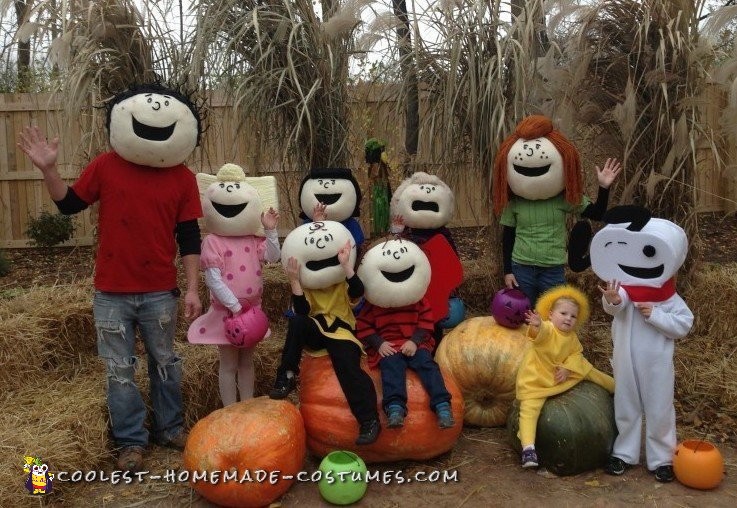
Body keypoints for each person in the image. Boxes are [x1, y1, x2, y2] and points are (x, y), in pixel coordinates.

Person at [17, 82, 205, 473]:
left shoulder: (183, 179)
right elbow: (69, 205)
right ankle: (131, 443)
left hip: (160, 293)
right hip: (111, 293)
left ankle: (169, 430)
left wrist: (192, 289)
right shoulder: (105, 165)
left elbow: (189, 237)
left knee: (166, 362)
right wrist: (49, 170)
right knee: (119, 371)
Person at [591, 205, 694, 483]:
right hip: (624, 358)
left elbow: (684, 324)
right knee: (626, 404)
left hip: (657, 362)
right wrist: (612, 299)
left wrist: (657, 315)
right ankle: (624, 453)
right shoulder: (624, 290)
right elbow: (616, 305)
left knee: (659, 408)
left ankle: (662, 458)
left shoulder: (667, 296)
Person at [269, 220, 381, 445]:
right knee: (298, 322)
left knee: (348, 368)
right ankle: (287, 375)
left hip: (341, 332)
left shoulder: (342, 283)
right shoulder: (307, 286)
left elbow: (359, 291)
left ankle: (369, 420)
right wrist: (294, 280)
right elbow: (301, 311)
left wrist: (346, 265)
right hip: (317, 331)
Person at [492, 115, 621, 305]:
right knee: (525, 315)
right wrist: (508, 271)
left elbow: (598, 214)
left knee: (554, 315)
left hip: (552, 269)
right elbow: (508, 237)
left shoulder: (563, 199)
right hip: (522, 267)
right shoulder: (515, 203)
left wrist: (604, 187)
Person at [187, 164, 280, 406]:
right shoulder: (213, 242)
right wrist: (235, 307)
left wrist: (270, 231)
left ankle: (246, 406)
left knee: (247, 362)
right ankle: (230, 411)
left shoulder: (253, 238)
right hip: (226, 314)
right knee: (228, 364)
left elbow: (272, 257)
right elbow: (213, 279)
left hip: (252, 313)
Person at [356, 238, 455, 429]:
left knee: (428, 365)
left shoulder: (418, 300)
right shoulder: (372, 305)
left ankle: (442, 405)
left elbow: (426, 324)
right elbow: (363, 326)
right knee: (391, 367)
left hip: (414, 343)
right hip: (389, 345)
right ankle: (395, 408)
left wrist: (414, 342)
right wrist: (379, 344)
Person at [516, 284, 615, 468]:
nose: (568, 319)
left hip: (562, 374)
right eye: (563, 313)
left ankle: (618, 388)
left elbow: (576, 355)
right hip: (539, 377)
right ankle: (528, 449)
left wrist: (569, 369)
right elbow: (539, 335)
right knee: (529, 408)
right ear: (551, 314)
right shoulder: (547, 329)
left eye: (573, 316)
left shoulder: (572, 337)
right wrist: (537, 325)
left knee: (590, 371)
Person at [389, 172, 463, 347]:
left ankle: (434, 349)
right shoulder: (406, 231)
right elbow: (392, 253)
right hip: (411, 283)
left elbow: (452, 259)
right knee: (412, 318)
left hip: (434, 284)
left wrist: (450, 287)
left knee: (434, 319)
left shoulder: (443, 234)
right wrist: (397, 232)